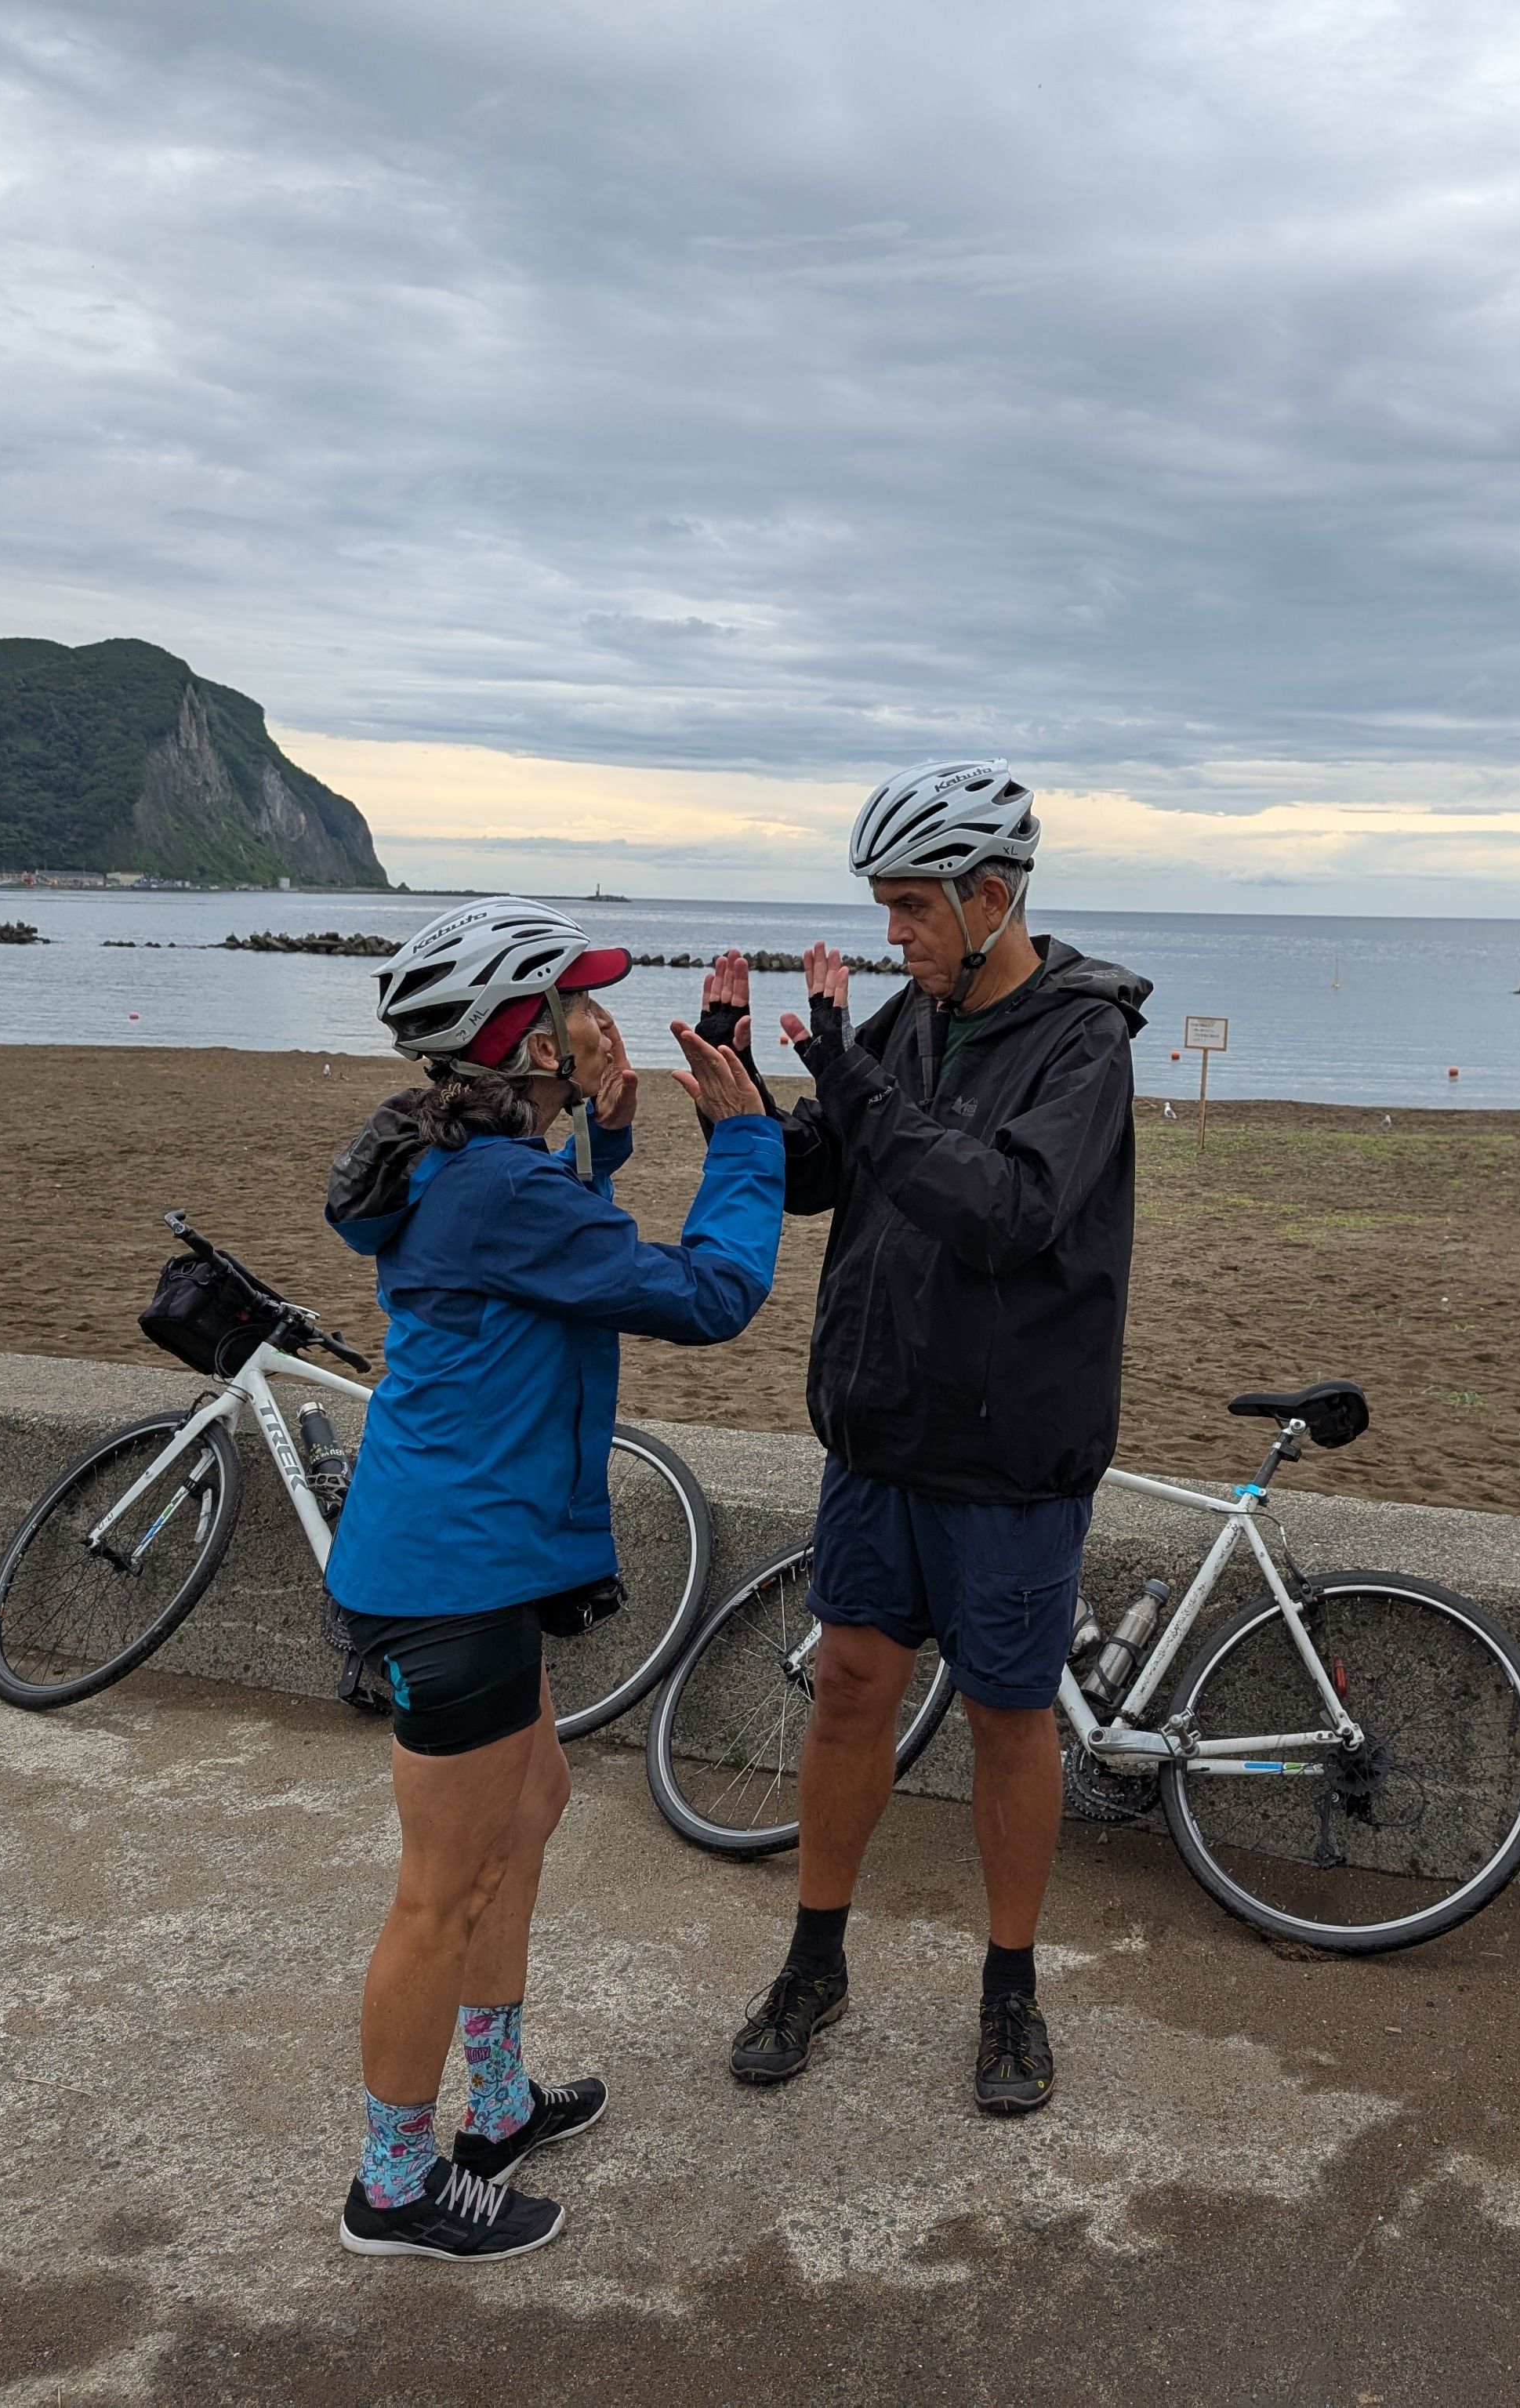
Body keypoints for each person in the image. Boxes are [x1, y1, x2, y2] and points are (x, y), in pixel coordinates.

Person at [320, 896, 782, 2259]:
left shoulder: (460, 1164)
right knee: (441, 1886)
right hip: (449, 1572)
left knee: (534, 1803)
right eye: (574, 1008)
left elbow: (538, 1256)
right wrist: (744, 1144)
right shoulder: (491, 1185)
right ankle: (394, 2186)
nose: (596, 1025)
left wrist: (612, 1140)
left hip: (474, 1553)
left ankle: (500, 2100)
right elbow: (706, 1297)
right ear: (520, 1034)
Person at [703, 760, 1148, 2115]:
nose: (892, 936)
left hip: (1010, 1448)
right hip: (882, 1431)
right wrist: (738, 1101)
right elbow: (829, 1175)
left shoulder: (1085, 1040)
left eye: (910, 909)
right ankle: (815, 1961)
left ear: (990, 896)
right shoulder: (910, 1023)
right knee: (847, 1687)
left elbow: (1006, 1207)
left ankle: (1010, 1991)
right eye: (887, 910)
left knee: (1012, 1720)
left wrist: (851, 1073)